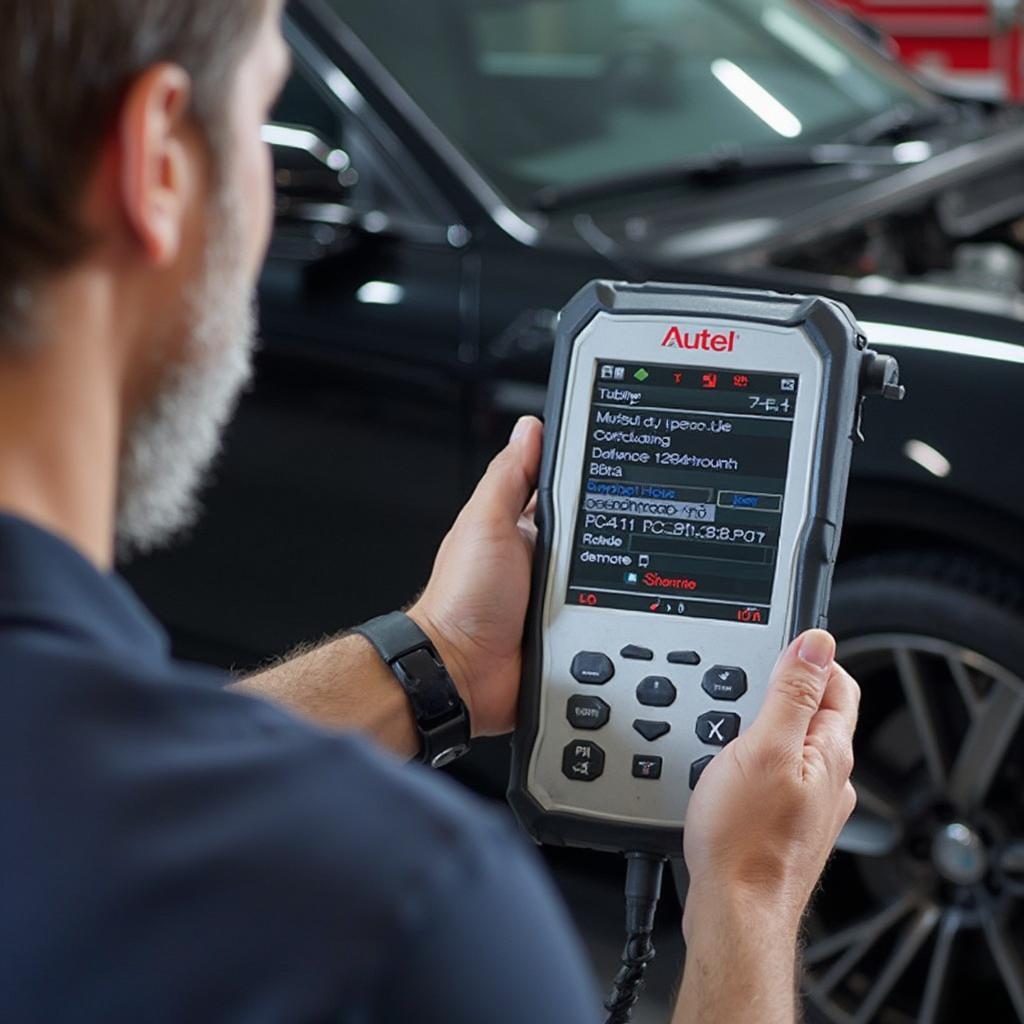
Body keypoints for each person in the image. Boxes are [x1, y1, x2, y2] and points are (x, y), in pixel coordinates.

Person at [0, 1, 860, 1022]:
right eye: (262, 120)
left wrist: (442, 655)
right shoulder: (400, 909)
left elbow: (87, 800)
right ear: (160, 163)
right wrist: (748, 905)